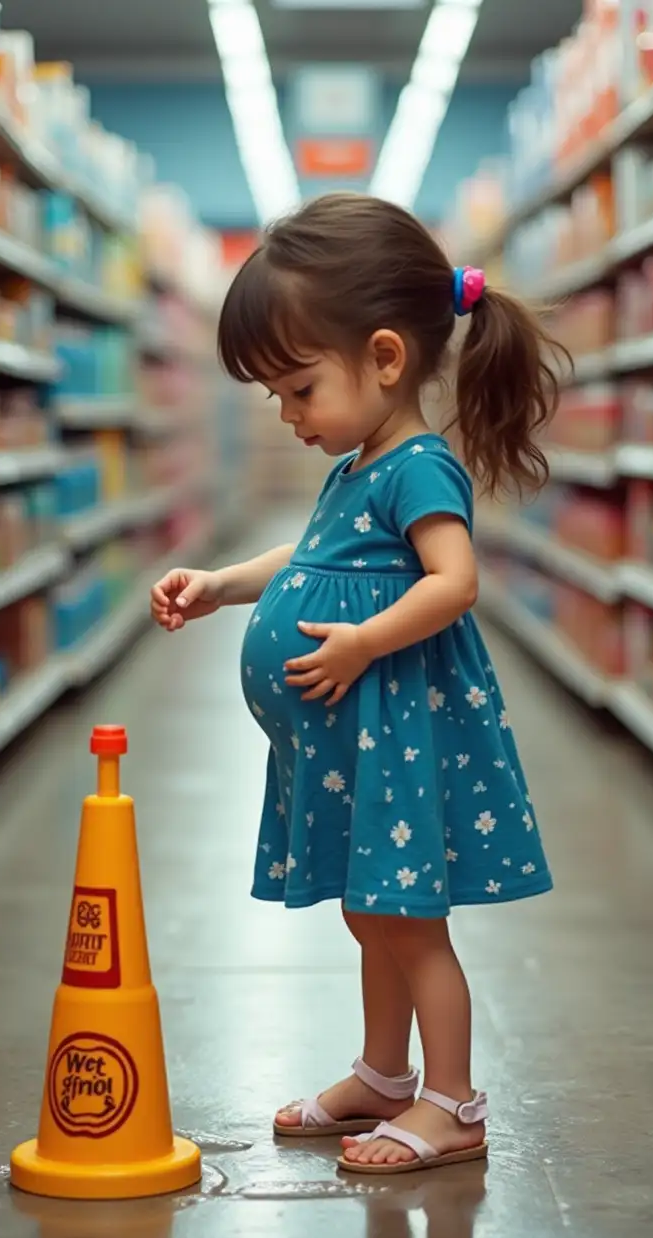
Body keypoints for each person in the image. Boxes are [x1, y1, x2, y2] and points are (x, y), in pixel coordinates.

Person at [150, 194, 568, 1177]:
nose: (288, 414)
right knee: (369, 907)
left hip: (394, 728)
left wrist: (359, 646)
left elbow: (452, 583)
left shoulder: (417, 466)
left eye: (297, 389)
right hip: (350, 741)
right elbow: (309, 561)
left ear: (384, 358)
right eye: (274, 400)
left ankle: (452, 1100)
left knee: (410, 921)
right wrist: (222, 585)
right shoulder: (358, 464)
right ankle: (383, 1076)